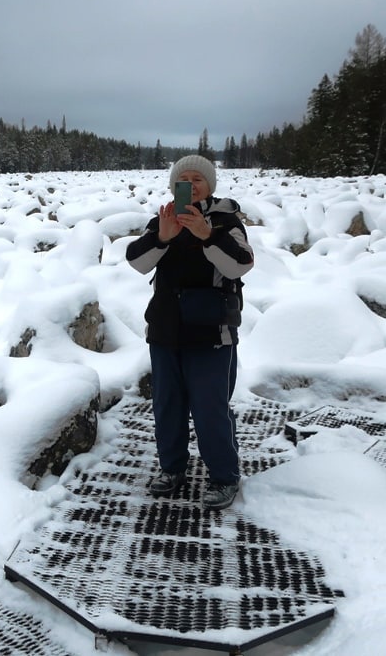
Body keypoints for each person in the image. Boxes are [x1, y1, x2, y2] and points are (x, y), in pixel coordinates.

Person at [125, 155, 254, 511]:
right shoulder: (164, 220)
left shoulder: (226, 222)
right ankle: (172, 469)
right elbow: (137, 261)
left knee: (210, 407)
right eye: (185, 179)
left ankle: (224, 475)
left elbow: (241, 264)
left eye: (199, 178)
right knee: (168, 405)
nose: (192, 184)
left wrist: (207, 235)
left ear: (211, 186)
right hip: (165, 331)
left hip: (211, 330)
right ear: (174, 187)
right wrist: (163, 239)